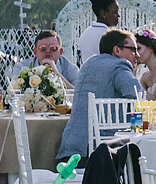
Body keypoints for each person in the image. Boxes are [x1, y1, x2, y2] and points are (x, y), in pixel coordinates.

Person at [60, 28, 140, 162]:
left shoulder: (89, 63)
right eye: (133, 49)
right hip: (102, 153)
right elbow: (137, 94)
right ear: (117, 50)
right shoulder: (120, 64)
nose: (137, 55)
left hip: (72, 147)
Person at [74, 0, 120, 65]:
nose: (118, 15)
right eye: (115, 12)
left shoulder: (85, 33)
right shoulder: (109, 35)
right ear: (103, 14)